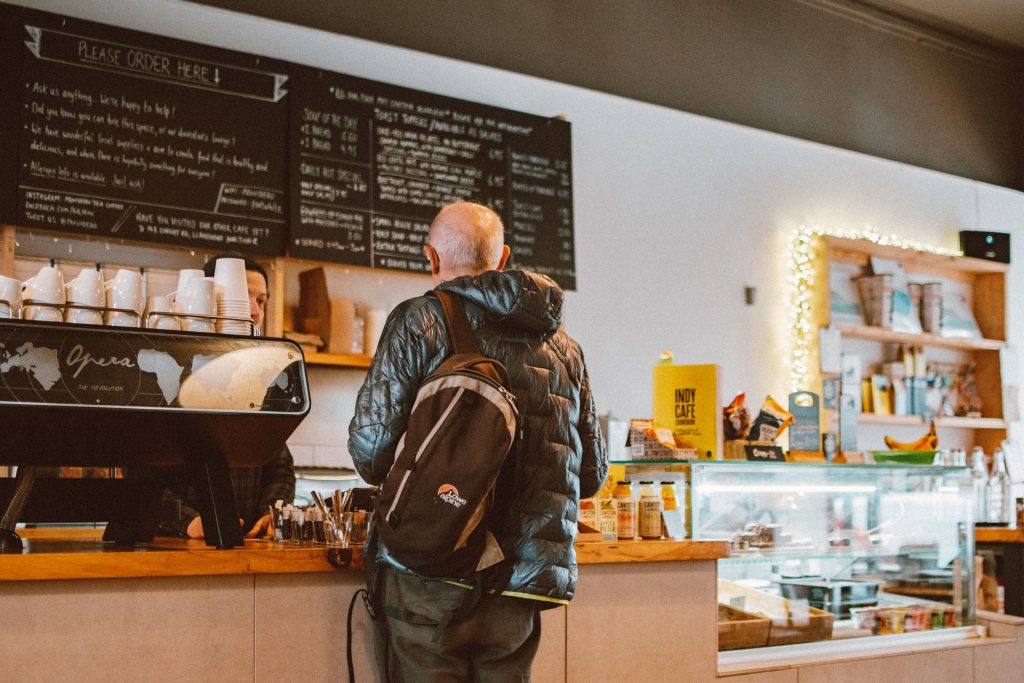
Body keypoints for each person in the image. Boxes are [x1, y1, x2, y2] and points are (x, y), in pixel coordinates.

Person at [349, 200, 607, 681]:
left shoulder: (419, 320)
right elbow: (590, 475)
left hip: (432, 566)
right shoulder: (565, 348)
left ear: (431, 257)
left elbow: (371, 452)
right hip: (523, 580)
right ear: (502, 258)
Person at [158, 255, 295, 540]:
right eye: (243, 298)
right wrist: (188, 521)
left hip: (246, 543)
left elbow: (279, 470)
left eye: (261, 301)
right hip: (174, 545)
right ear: (207, 299)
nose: (255, 311)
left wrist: (271, 513)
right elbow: (141, 475)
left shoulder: (260, 378)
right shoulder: (168, 374)